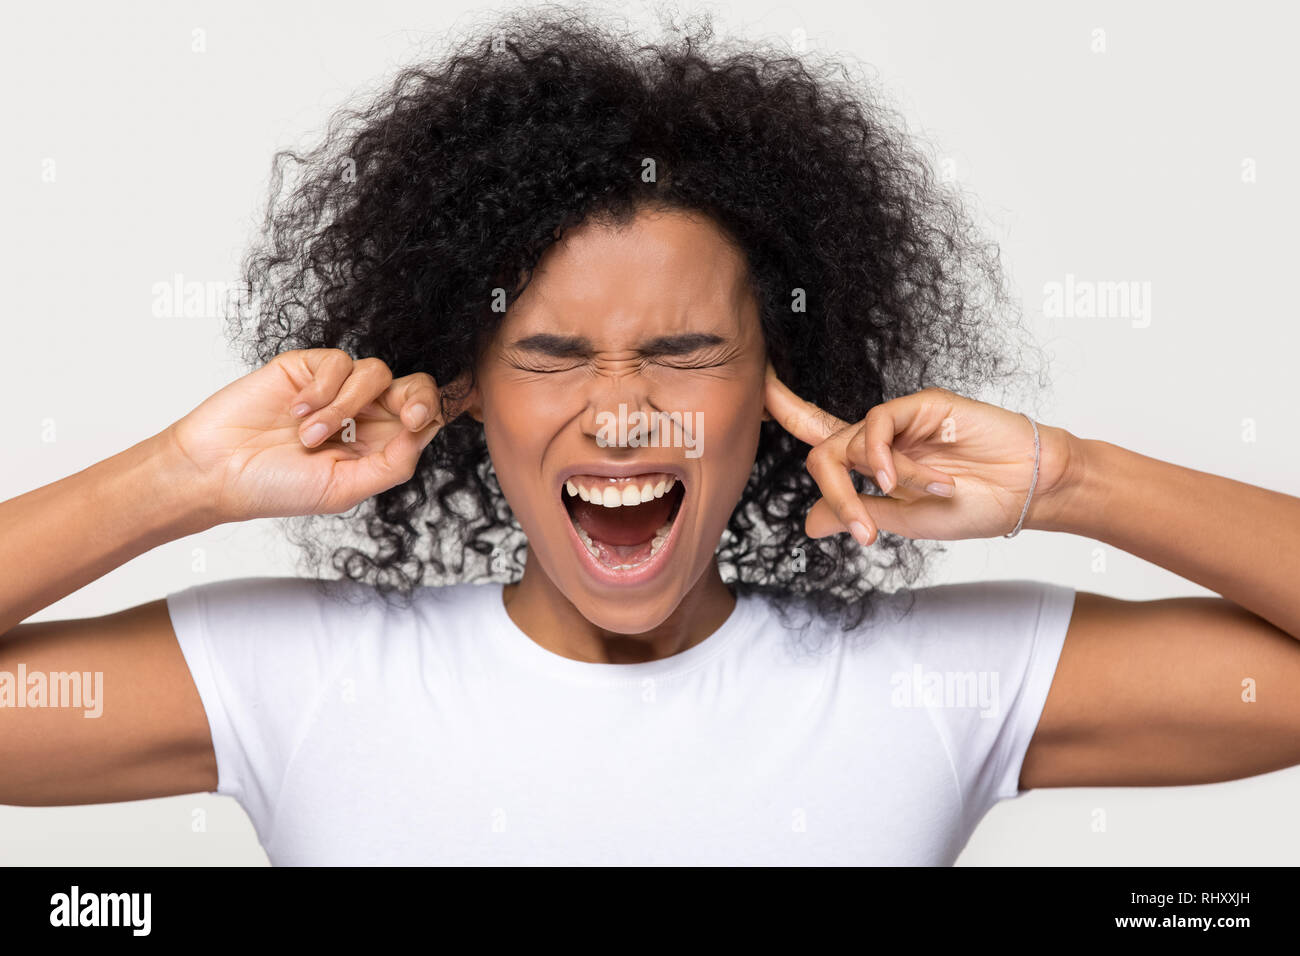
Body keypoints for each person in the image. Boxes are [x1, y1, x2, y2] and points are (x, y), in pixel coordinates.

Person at [2, 8, 1298, 865]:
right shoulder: (296, 677)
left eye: (685, 352)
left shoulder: (933, 681)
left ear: (780, 384)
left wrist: (1066, 480)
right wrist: (182, 479)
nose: (622, 412)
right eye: (552, 355)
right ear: (466, 393)